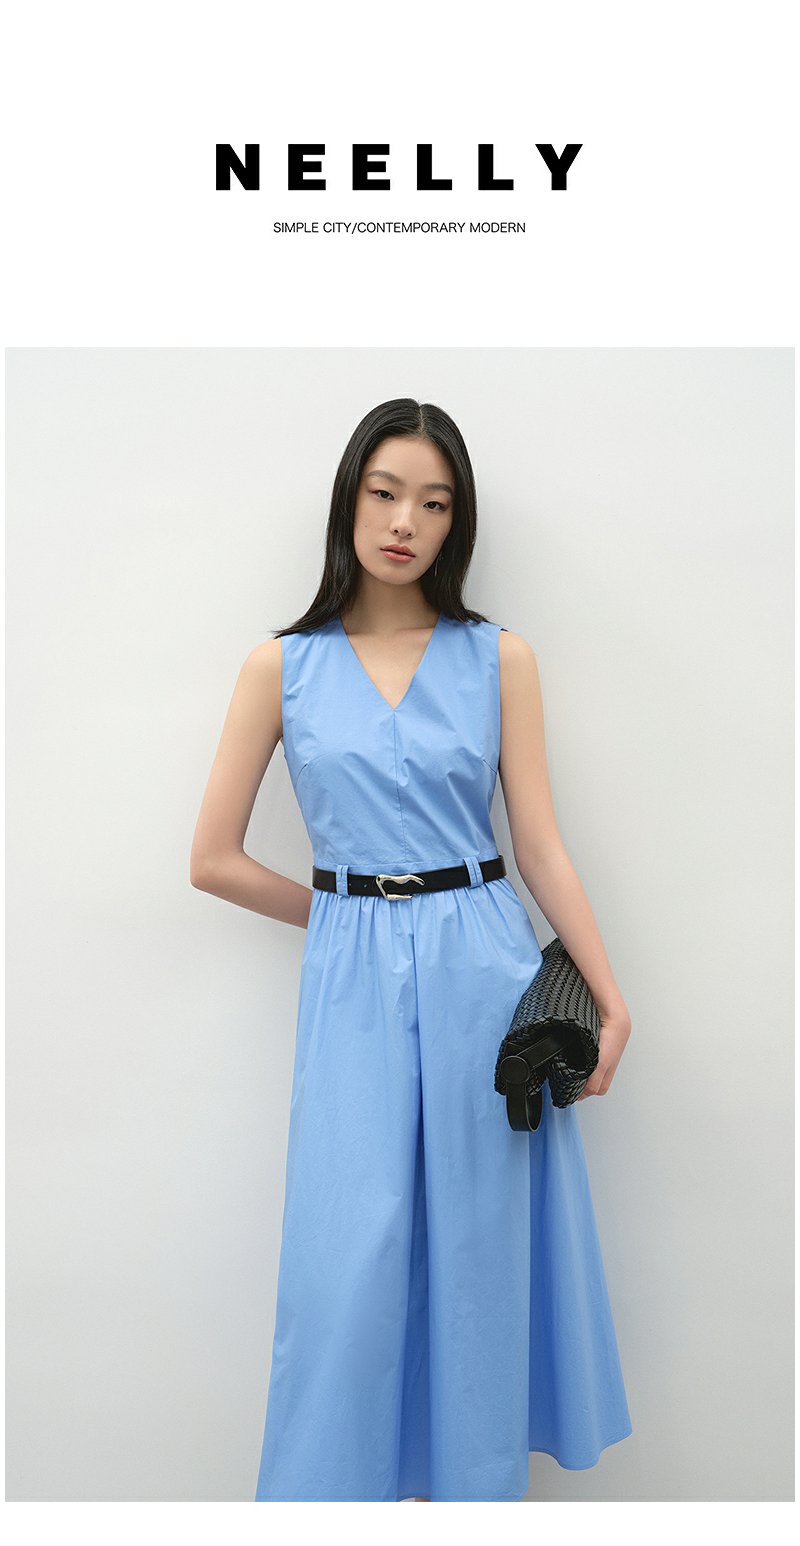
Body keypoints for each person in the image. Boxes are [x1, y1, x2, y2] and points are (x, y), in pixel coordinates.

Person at [190, 397, 633, 1502]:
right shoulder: (280, 667)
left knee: (479, 1246)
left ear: (455, 523)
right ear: (349, 499)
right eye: (385, 493)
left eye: (433, 504)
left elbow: (536, 842)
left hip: (483, 965)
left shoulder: (499, 659)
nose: (405, 523)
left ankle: (469, 1498)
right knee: (349, 1251)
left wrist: (608, 993)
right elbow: (212, 858)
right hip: (350, 981)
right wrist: (345, 916)